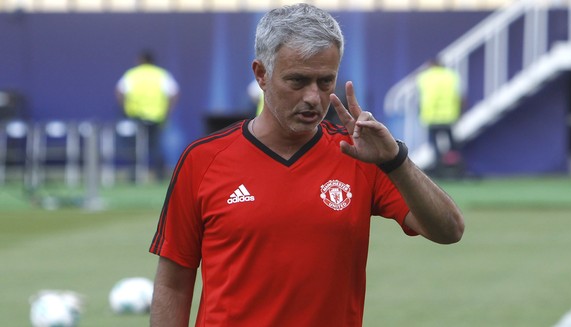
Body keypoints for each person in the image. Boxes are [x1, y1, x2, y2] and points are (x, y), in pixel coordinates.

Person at [149, 4, 464, 327]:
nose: (314, 97)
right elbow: (173, 282)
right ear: (261, 74)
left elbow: (449, 230)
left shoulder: (359, 155)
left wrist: (396, 161)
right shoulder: (203, 159)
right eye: (297, 81)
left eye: (326, 82)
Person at [115, 50, 179, 181]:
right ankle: (159, 176)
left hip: (135, 116)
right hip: (157, 116)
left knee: (136, 147)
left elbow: (119, 91)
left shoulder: (133, 74)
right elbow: (174, 93)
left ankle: (134, 175)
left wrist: (124, 108)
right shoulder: (161, 74)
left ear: (140, 60)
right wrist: (168, 111)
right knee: (156, 147)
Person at [416, 59, 464, 177]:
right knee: (452, 145)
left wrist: (420, 112)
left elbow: (421, 98)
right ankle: (456, 171)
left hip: (431, 117)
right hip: (449, 117)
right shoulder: (451, 76)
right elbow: (459, 96)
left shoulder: (424, 77)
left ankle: (439, 170)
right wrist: (460, 113)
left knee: (435, 146)